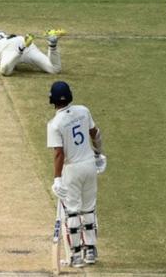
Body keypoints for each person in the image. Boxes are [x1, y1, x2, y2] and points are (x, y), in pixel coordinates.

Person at [47, 81, 105, 268]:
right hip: (89, 165)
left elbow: (59, 153)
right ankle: (91, 251)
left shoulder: (55, 124)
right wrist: (98, 153)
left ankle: (76, 255)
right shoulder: (83, 111)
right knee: (88, 209)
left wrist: (57, 179)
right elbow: (95, 133)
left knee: (72, 211)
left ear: (52, 100)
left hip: (71, 169)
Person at [0, 13, 64, 76]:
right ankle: (52, 44)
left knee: (4, 71)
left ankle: (20, 49)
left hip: (13, 49)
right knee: (54, 69)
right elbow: (4, 57)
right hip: (21, 41)